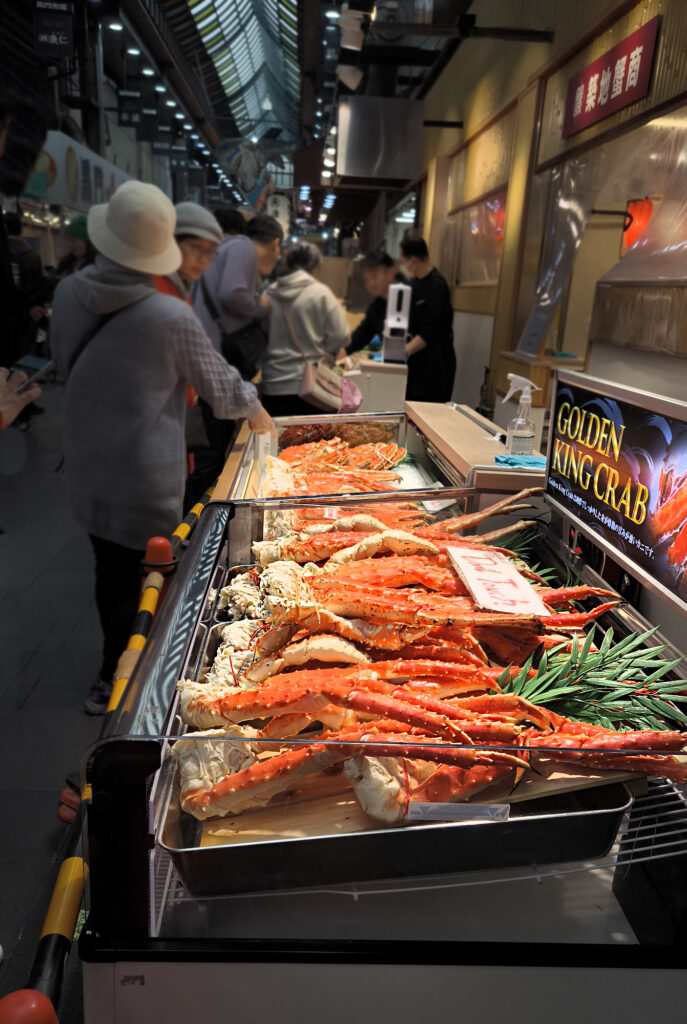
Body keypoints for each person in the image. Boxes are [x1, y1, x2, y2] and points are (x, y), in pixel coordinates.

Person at [51, 180, 275, 715]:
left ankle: (110, 673)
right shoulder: (168, 314)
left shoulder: (67, 292)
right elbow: (223, 391)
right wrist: (258, 411)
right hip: (143, 478)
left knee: (109, 570)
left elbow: (62, 366)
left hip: (86, 466)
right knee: (146, 580)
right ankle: (124, 683)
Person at [194, 212, 283, 479]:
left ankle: (204, 497)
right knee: (212, 449)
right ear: (275, 244)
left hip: (212, 353)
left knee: (212, 443)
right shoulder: (244, 247)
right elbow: (232, 294)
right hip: (218, 353)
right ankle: (203, 502)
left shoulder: (228, 247)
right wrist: (260, 307)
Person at [153, 202, 224, 505]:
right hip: (154, 423)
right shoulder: (155, 288)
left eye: (210, 252)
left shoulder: (179, 286)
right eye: (196, 248)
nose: (203, 259)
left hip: (176, 417)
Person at [261, 242, 350, 417]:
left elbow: (260, 334)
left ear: (287, 263)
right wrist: (326, 354)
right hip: (313, 389)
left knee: (277, 434)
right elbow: (340, 335)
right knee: (314, 435)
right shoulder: (321, 293)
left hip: (273, 385)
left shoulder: (269, 293)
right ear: (316, 267)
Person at [398, 235, 456, 403]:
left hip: (436, 364)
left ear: (413, 260)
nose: (402, 266)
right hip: (416, 363)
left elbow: (430, 329)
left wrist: (405, 350)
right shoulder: (413, 284)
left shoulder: (437, 285)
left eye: (403, 261)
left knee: (430, 412)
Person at [346, 250, 400, 355]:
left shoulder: (410, 295)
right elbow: (359, 338)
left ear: (390, 272)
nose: (371, 283)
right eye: (367, 279)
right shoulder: (376, 307)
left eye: (375, 276)